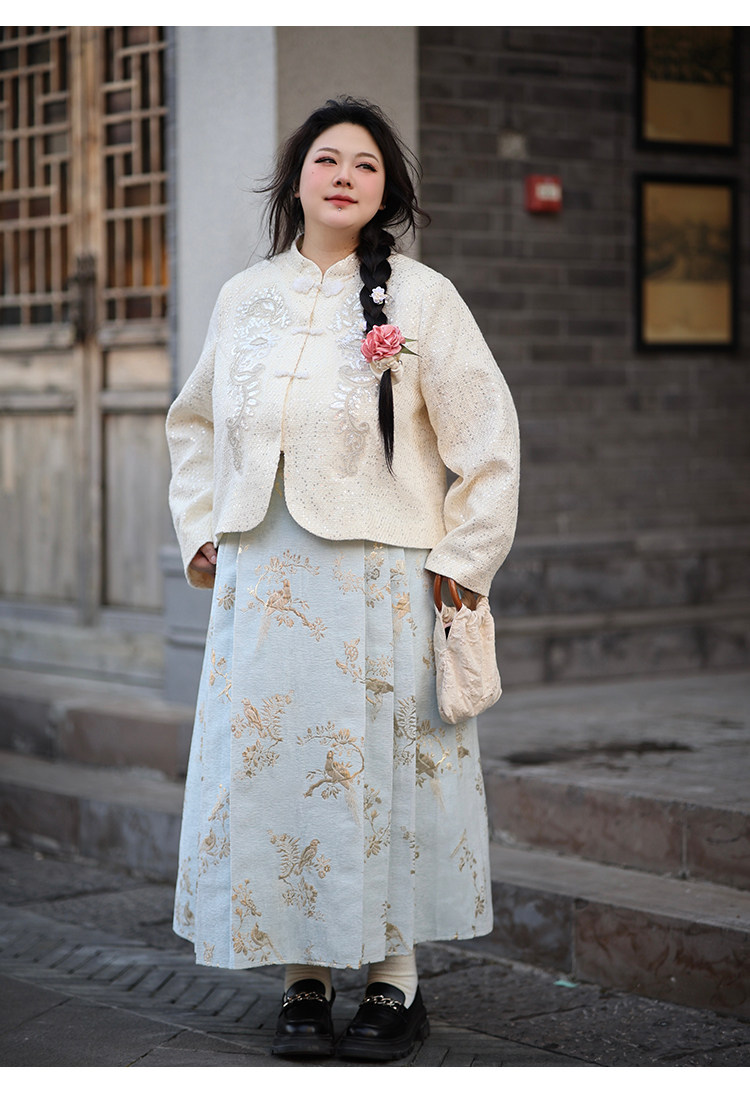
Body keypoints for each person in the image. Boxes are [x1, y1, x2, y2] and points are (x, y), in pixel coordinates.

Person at [166, 96, 520, 1062]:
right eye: (327, 159)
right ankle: (304, 976)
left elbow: (489, 440)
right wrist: (202, 527)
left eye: (365, 165)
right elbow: (194, 423)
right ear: (296, 180)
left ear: (385, 191)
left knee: (382, 772)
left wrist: (465, 560)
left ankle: (395, 979)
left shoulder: (425, 299)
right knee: (281, 774)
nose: (344, 176)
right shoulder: (244, 297)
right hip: (263, 579)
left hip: (382, 581)